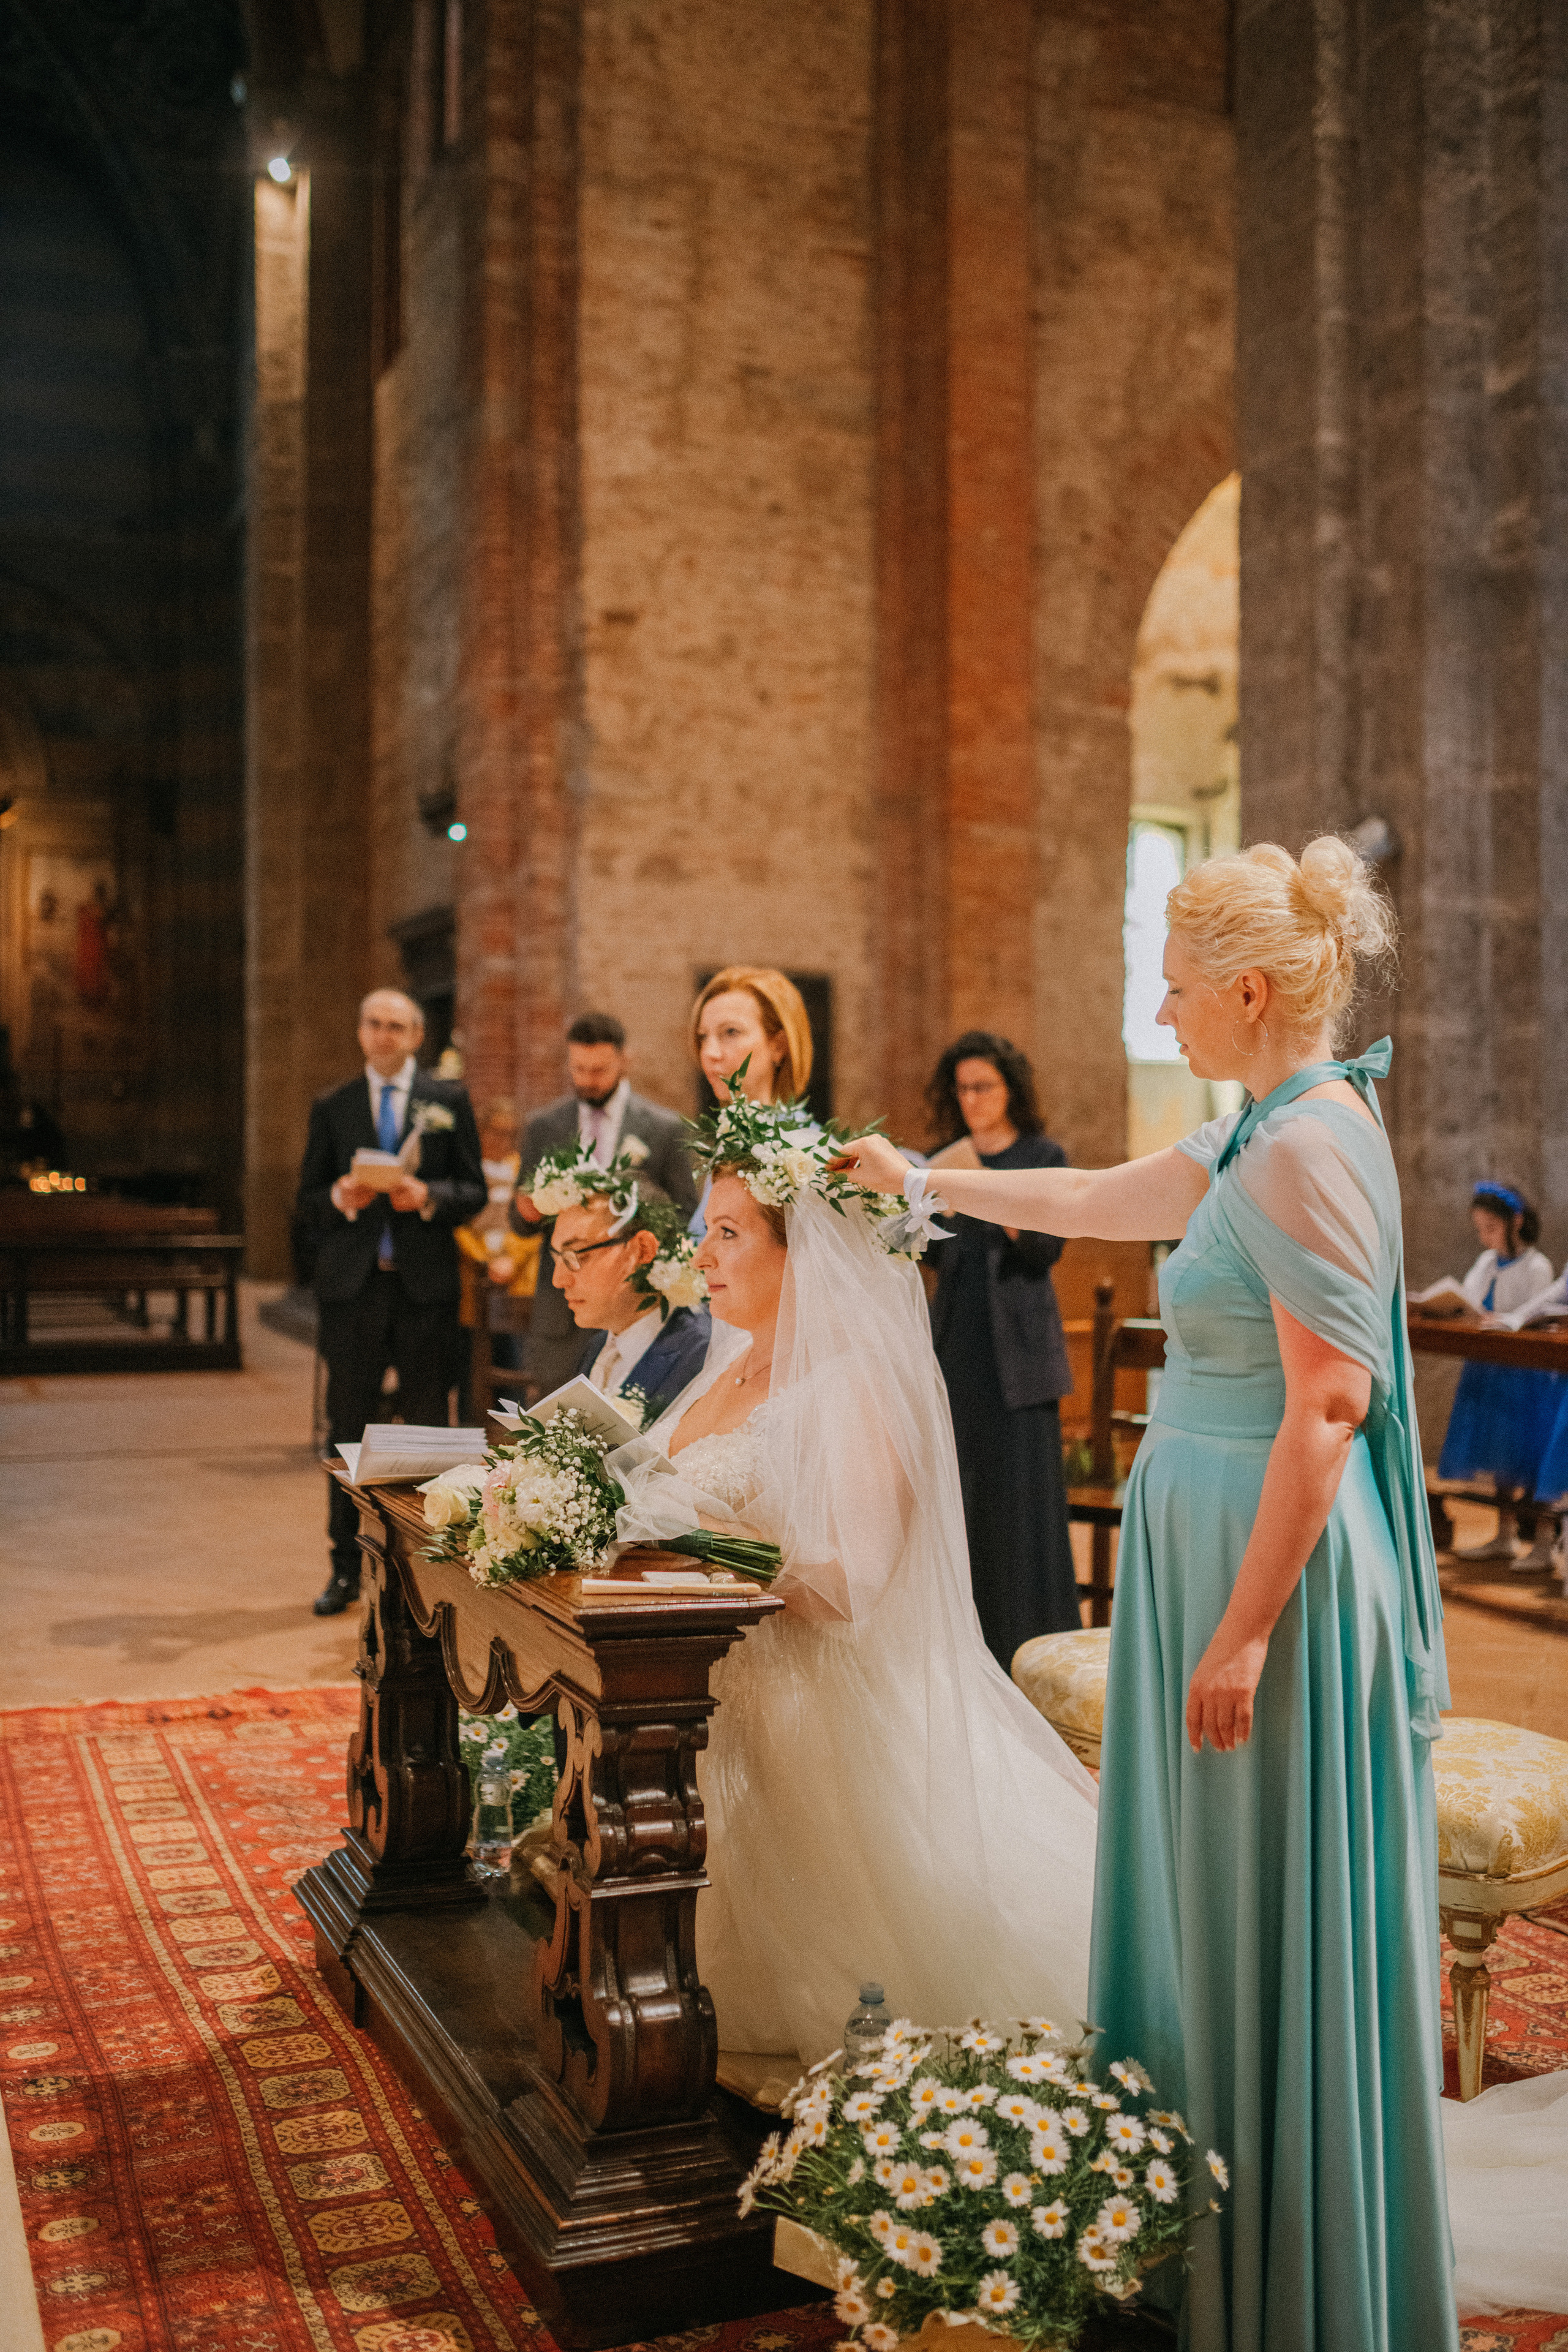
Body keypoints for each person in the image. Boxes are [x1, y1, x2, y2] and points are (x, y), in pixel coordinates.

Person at [838, 837, 1469, 2351]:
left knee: (1257, 1913)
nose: (1161, 1008)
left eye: (1175, 986)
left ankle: (1286, 2285)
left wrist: (1244, 1630)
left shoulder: (1313, 1142)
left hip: (1280, 1586)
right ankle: (1207, 2235)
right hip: (1214, 1556)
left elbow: (1328, 1408)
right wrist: (927, 1179)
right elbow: (1110, 1193)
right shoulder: (1262, 1120)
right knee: (1207, 1908)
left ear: (1248, 991)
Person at [611, 1094, 1100, 2065]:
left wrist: (701, 1542)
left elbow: (850, 1586)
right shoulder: (730, 1369)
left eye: (729, 1233)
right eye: (705, 1232)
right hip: (707, 1691)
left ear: (809, 1256)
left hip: (822, 1715)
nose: (701, 1255)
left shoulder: (853, 1388)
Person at [295, 988, 485, 1616]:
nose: (384, 1035)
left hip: (423, 1289)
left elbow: (473, 1189)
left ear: (416, 1036)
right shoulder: (334, 1105)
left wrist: (426, 1196)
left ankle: (430, 1570)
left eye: (396, 1026)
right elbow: (306, 1200)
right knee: (347, 1428)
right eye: (374, 1024)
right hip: (353, 1289)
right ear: (360, 1032)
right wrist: (343, 1197)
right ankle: (344, 1567)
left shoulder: (447, 1100)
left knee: (430, 1428)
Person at [923, 1030, 1079, 1664]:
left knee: (1020, 1505)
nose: (971, 1099)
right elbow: (933, 1252)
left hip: (1019, 1355)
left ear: (1010, 1088)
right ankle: (966, 1646)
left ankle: (1030, 1644)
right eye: (961, 1089)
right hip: (957, 1343)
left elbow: (1046, 1246)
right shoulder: (943, 1156)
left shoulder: (1042, 1155)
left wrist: (984, 1189)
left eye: (982, 1086)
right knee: (960, 1503)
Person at [513, 1013, 698, 1398]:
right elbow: (520, 1222)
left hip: (633, 1304)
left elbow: (683, 1215)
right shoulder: (543, 1127)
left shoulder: (663, 1128)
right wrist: (531, 1208)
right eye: (579, 1069)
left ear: (624, 1060)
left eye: (599, 1069)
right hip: (562, 1307)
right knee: (560, 1428)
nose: (588, 1080)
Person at [1419, 1182, 1561, 1571]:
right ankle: (1504, 1533)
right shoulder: (1485, 1262)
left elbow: (1535, 1313)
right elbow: (1467, 1298)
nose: (1485, 1236)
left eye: (1491, 1227)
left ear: (1515, 1223)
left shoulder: (1537, 1266)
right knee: (1499, 1457)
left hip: (1523, 1375)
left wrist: (1506, 1320)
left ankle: (1545, 1541)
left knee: (1527, 1457)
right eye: (1480, 1228)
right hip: (1487, 1371)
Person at [546, 1163, 710, 1423]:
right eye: (556, 1257)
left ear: (643, 1250)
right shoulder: (599, 1344)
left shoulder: (700, 1354)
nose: (559, 1280)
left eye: (577, 1256)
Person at [454, 1097, 539, 1378]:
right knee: (472, 1363)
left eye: (509, 1133)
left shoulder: (523, 1170)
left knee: (514, 1361)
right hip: (473, 1274)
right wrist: (483, 1257)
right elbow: (457, 1221)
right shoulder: (469, 1168)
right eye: (495, 1131)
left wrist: (510, 1260)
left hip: (516, 1278)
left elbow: (537, 1222)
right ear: (481, 1131)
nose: (501, 1139)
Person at [690, 965, 814, 1107]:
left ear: (778, 1046)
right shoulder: (712, 1129)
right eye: (703, 1036)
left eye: (731, 1032)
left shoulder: (803, 1130)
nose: (709, 1053)